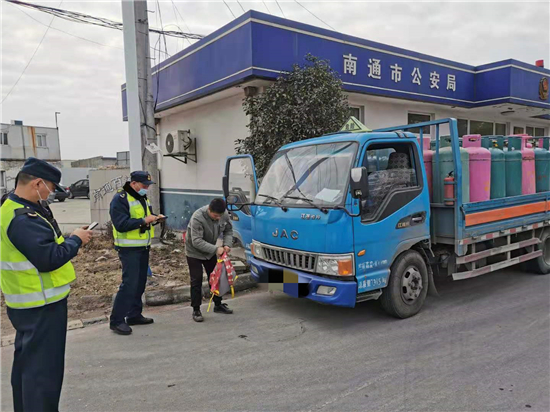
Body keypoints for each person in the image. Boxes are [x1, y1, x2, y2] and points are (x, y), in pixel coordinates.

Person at [0, 157, 93, 412]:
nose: (50, 195)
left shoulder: (12, 207)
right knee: (44, 375)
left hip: (28, 303)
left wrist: (70, 236)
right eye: (51, 189)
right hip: (41, 304)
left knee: (27, 369)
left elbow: (46, 243)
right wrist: (77, 242)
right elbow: (48, 258)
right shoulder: (22, 218)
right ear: (38, 183)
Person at [109, 171, 165, 335]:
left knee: (140, 282)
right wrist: (143, 221)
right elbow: (120, 224)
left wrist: (155, 219)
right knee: (129, 284)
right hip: (128, 249)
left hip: (143, 247)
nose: (146, 188)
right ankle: (117, 321)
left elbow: (145, 219)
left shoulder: (141, 198)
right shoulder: (120, 199)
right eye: (144, 185)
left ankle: (134, 315)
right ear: (133, 183)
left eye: (148, 185)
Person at [186, 198, 234, 322]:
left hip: (210, 252)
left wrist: (227, 244)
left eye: (220, 216)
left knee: (215, 279)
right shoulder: (198, 217)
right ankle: (196, 309)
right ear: (209, 210)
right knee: (196, 280)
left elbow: (228, 230)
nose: (218, 218)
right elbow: (196, 241)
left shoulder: (223, 214)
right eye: (215, 215)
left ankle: (218, 304)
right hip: (194, 253)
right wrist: (216, 249)